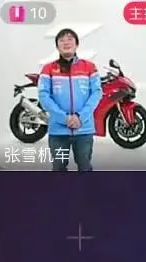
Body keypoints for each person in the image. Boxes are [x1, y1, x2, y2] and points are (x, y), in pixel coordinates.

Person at [38, 28, 102, 172]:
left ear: (77, 44)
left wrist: (80, 117)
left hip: (83, 129)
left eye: (70, 39)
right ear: (57, 46)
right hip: (58, 131)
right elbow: (44, 96)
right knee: (58, 168)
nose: (66, 42)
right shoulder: (48, 69)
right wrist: (64, 118)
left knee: (85, 167)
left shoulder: (89, 67)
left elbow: (96, 93)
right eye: (61, 40)